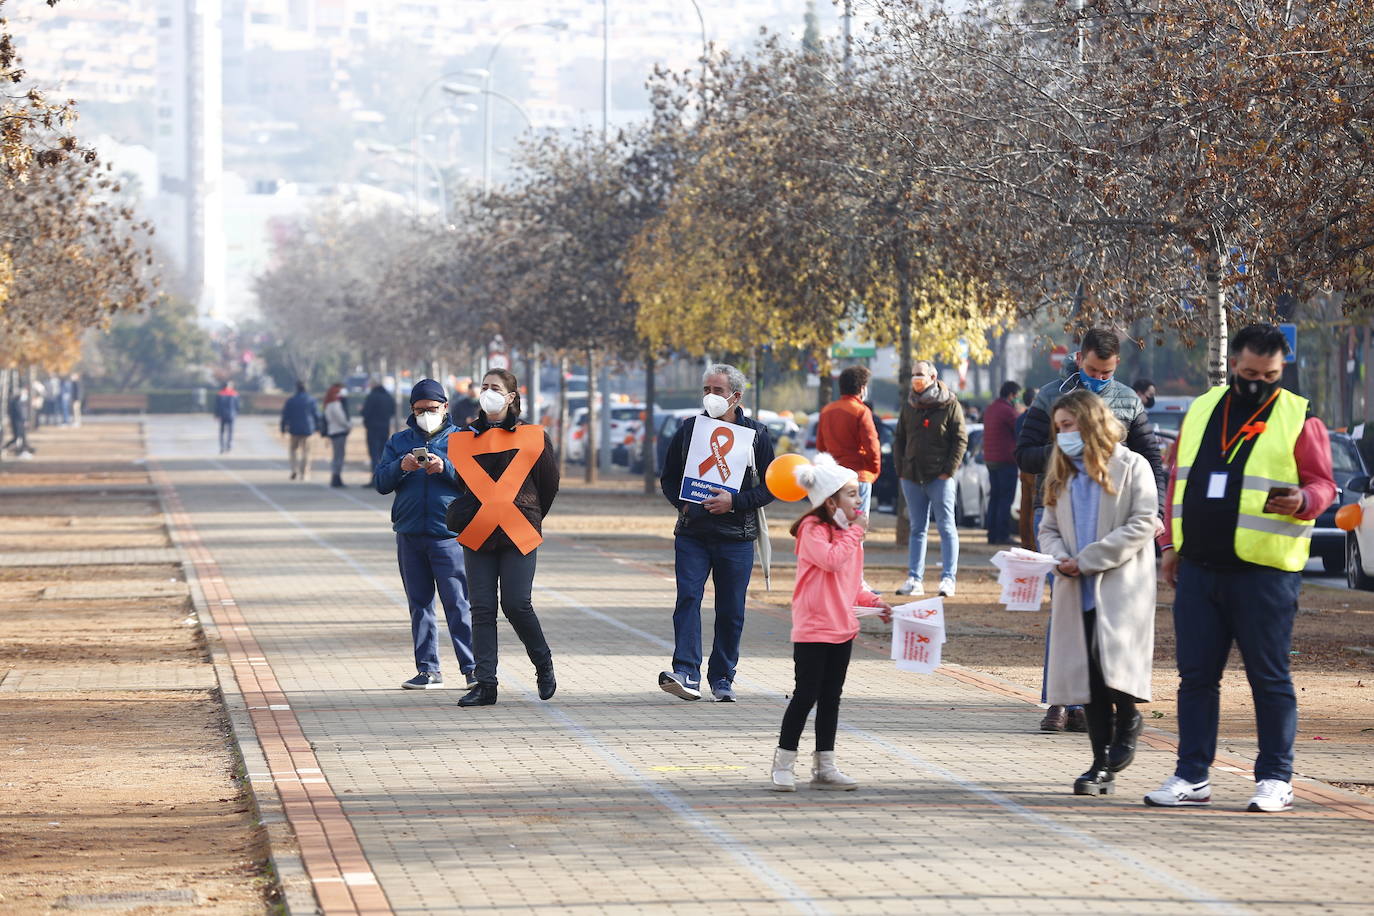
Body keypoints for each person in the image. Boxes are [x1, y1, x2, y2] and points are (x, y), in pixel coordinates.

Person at [1145, 324, 1336, 813]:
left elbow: (1324, 486)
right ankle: (1192, 776)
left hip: (1265, 575)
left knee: (1269, 679)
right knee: (1195, 679)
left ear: (1282, 369)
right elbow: (1177, 482)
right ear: (1233, 364)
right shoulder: (1204, 408)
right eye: (1250, 372)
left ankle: (1276, 777)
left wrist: (1303, 500)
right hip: (1200, 570)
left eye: (1270, 375)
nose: (1258, 382)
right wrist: (1169, 546)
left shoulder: (1299, 416)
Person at [1015, 329, 1165, 732]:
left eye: (1107, 372)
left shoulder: (1128, 401)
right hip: (1059, 512)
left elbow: (1151, 460)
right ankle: (1060, 700)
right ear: (1079, 358)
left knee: (1107, 615)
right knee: (1065, 609)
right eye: (1093, 369)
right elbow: (1024, 454)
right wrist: (1068, 446)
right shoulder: (1050, 396)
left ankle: (1099, 702)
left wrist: (1158, 512)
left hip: (1111, 519)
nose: (1099, 377)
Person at [1038, 390, 1157, 797]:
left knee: (1115, 670)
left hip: (1121, 585)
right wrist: (1060, 557)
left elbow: (1144, 522)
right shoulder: (1061, 471)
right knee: (1088, 677)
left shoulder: (1131, 466)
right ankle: (1099, 764)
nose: (1063, 435)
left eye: (1068, 426)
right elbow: (1048, 529)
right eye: (1058, 428)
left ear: (1090, 422)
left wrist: (1089, 558)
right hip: (1075, 586)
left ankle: (1128, 720)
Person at [770, 454, 891, 792]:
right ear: (830, 499)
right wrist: (855, 533)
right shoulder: (812, 530)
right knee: (805, 695)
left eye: (857, 493)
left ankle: (825, 764)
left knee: (831, 698)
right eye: (851, 493)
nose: (858, 499)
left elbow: (854, 582)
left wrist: (876, 603)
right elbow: (830, 561)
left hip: (842, 628)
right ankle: (783, 762)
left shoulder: (849, 534)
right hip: (813, 628)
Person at [658, 363, 777, 702]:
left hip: (736, 537)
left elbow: (770, 488)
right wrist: (682, 506)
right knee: (688, 599)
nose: (710, 396)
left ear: (736, 397)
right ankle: (685, 672)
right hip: (693, 534)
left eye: (718, 391)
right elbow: (668, 478)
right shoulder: (689, 430)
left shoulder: (757, 435)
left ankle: (722, 677)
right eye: (706, 390)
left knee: (731, 610)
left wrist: (735, 501)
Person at [445, 369, 559, 707]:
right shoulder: (465, 437)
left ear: (511, 396)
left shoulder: (534, 436)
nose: (487, 392)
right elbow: (461, 485)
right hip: (479, 530)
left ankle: (543, 664)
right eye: (484, 387)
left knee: (516, 603)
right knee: (480, 608)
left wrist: (529, 514)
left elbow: (548, 484)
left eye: (495, 388)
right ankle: (486, 684)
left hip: (517, 529)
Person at [375, 379, 476, 691]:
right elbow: (380, 482)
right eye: (419, 410)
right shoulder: (399, 441)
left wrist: (445, 467)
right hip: (409, 534)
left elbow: (477, 482)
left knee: (458, 603)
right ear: (411, 411)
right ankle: (428, 669)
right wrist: (401, 466)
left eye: (431, 409)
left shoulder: (463, 439)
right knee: (419, 604)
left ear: (445, 407)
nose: (425, 415)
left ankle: (473, 668)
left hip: (449, 535)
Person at [893, 360, 968, 598]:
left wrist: (949, 470)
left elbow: (960, 439)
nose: (916, 378)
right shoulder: (909, 405)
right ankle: (915, 579)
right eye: (914, 374)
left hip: (940, 477)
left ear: (933, 377)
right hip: (912, 476)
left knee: (946, 527)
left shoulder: (950, 403)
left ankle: (948, 579)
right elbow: (899, 439)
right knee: (918, 529)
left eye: (920, 374)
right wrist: (901, 469)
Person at [815, 365, 882, 515]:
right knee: (856, 529)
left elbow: (820, 446)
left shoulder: (826, 411)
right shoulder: (861, 411)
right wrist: (873, 470)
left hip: (834, 477)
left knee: (836, 527)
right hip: (858, 475)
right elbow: (872, 445)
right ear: (862, 388)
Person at [983, 380, 1021, 545]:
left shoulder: (991, 408)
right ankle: (1002, 534)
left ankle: (991, 534)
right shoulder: (1007, 411)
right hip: (1006, 459)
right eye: (1016, 397)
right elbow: (1020, 426)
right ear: (1011, 395)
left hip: (991, 459)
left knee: (995, 498)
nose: (1017, 400)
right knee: (1006, 499)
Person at [280, 382, 319, 481]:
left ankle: (294, 469)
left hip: (294, 429)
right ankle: (304, 472)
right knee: (306, 451)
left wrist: (283, 428)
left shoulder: (291, 401)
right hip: (308, 429)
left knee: (293, 450)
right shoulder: (311, 400)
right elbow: (316, 415)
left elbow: (285, 415)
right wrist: (319, 427)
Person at [361, 378, 396, 487]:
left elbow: (366, 412)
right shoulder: (388, 397)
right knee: (383, 453)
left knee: (374, 454)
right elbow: (392, 411)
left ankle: (375, 478)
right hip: (384, 427)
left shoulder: (372, 397)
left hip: (372, 428)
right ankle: (383, 478)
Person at [1017, 386, 1038, 548]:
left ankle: (1027, 543)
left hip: (1024, 465)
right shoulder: (1038, 416)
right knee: (1033, 507)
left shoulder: (1019, 418)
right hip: (1036, 465)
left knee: (1026, 505)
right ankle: (1032, 544)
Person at [322, 383, 351, 488]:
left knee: (336, 455)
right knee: (339, 456)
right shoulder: (335, 405)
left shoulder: (328, 405)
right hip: (339, 432)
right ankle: (336, 477)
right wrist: (348, 426)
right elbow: (341, 419)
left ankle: (336, 476)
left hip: (333, 432)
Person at [5, 386, 31, 457]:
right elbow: (20, 413)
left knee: (20, 438)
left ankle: (21, 451)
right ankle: (19, 452)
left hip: (19, 423)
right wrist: (25, 420)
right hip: (18, 423)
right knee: (18, 439)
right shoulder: (17, 401)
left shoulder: (18, 401)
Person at [215, 381, 239, 454]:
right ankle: (229, 446)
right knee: (230, 431)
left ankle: (222, 447)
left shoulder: (220, 394)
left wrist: (216, 415)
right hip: (231, 415)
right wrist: (236, 413)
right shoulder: (234, 394)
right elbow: (237, 406)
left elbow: (217, 406)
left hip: (222, 415)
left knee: (222, 432)